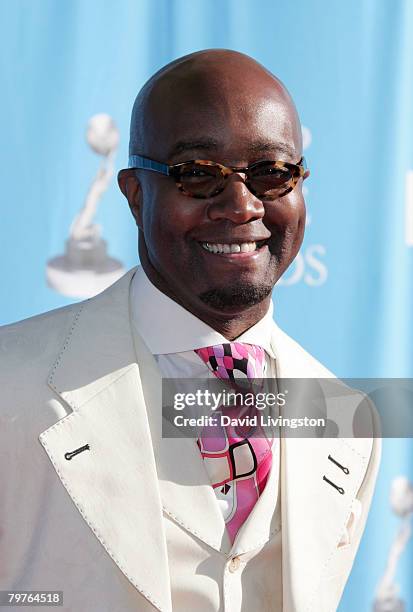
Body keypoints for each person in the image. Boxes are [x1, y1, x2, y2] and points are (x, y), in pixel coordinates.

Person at [0, 49, 380, 612]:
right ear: (134, 195)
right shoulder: (13, 381)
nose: (240, 205)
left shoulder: (350, 419)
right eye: (197, 175)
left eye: (272, 173)